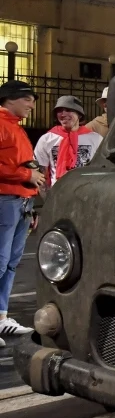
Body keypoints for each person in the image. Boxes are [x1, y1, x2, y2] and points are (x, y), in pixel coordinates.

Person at [0, 81, 45, 343]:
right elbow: (22, 169)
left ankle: (2, 317)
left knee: (11, 262)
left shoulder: (15, 128)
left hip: (19, 202)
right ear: (10, 99)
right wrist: (26, 174)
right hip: (5, 200)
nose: (31, 105)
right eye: (27, 99)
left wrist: (31, 202)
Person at [35, 96, 104, 188]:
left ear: (79, 114)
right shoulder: (47, 139)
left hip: (87, 193)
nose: (63, 114)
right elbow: (40, 172)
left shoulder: (96, 139)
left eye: (68, 110)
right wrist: (47, 197)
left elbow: (102, 169)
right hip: (58, 193)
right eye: (59, 111)